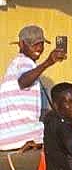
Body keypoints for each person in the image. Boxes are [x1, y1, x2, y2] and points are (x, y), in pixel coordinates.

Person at [0, 25, 63, 158]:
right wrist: (48, 62)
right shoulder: (24, 62)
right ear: (22, 44)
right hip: (21, 138)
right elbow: (23, 81)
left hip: (8, 138)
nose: (39, 48)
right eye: (34, 44)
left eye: (41, 44)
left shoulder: (17, 65)